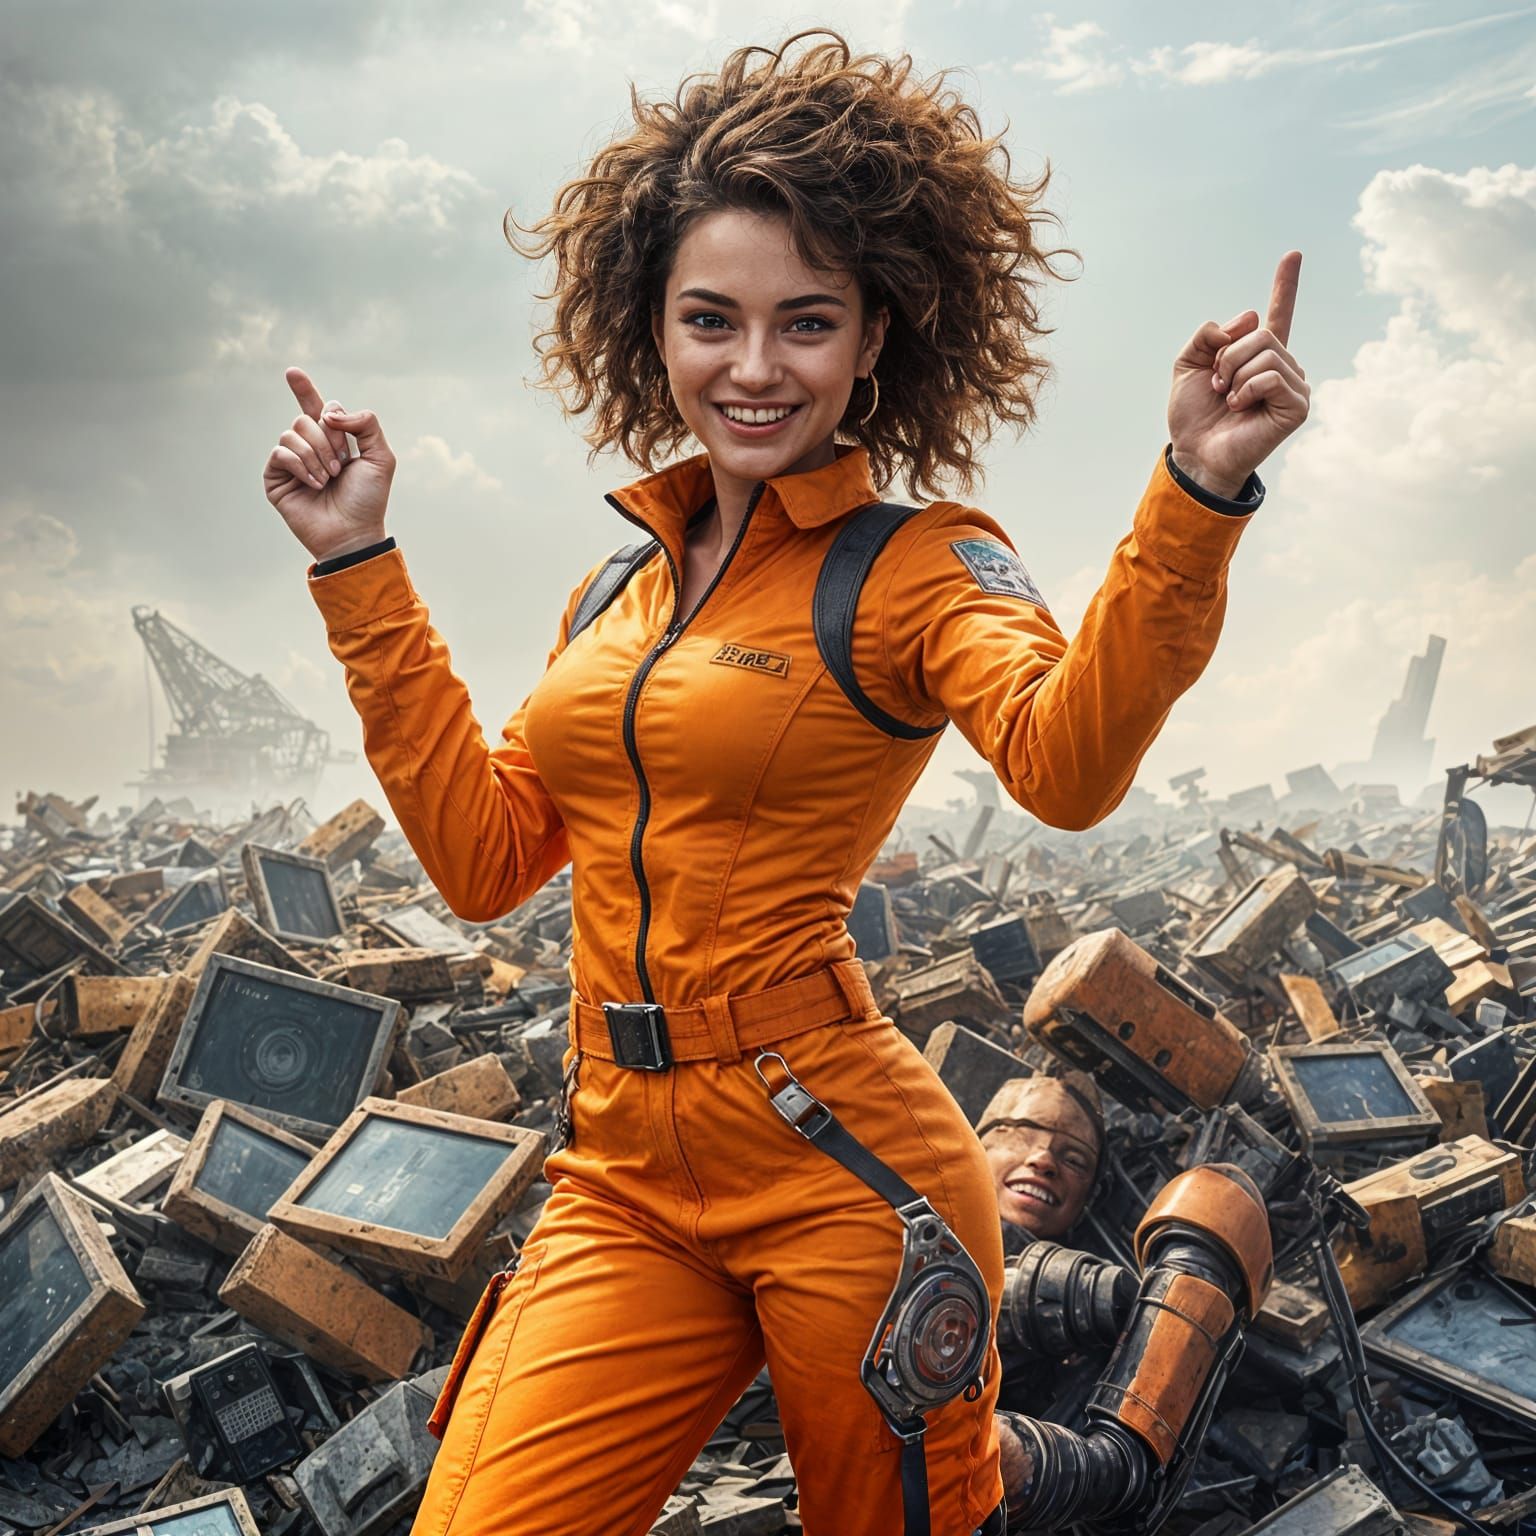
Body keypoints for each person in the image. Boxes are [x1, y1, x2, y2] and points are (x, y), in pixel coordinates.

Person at [261, 30, 1309, 1536]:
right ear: (655, 329)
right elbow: (486, 860)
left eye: (806, 323)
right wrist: (359, 566)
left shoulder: (920, 565)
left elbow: (1068, 765)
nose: (755, 369)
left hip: (844, 1173)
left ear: (876, 337)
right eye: (713, 321)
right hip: (618, 1174)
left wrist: (1196, 494)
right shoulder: (608, 594)